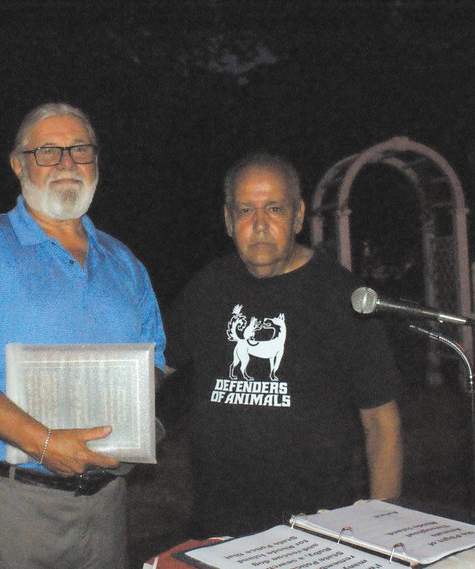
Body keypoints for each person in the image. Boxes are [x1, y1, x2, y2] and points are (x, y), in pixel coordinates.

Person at [0, 102, 166, 568]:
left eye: (80, 150)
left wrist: (131, 412)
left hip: (106, 506)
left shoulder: (124, 262)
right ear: (19, 164)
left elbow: (154, 360)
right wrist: (44, 442)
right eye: (48, 151)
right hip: (7, 507)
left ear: (96, 161)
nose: (67, 163)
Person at [165, 152, 403, 538]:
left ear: (297, 215)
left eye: (274, 208)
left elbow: (382, 424)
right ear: (228, 220)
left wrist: (383, 533)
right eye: (245, 210)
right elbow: (155, 367)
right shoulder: (206, 288)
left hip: (317, 531)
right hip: (217, 531)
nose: (259, 224)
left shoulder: (344, 297)